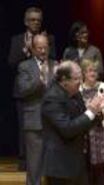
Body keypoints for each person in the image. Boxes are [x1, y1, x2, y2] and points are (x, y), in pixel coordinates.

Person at [8, 6, 56, 171]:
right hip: (24, 90)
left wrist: (41, 47)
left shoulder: (48, 38)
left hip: (46, 92)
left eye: (38, 20)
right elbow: (12, 62)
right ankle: (24, 162)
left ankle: (43, 163)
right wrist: (27, 50)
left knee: (45, 130)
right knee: (25, 127)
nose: (36, 23)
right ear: (25, 21)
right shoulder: (17, 39)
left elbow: (53, 60)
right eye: (32, 20)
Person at [15, 34, 56, 185]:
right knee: (34, 160)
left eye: (45, 46)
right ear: (32, 49)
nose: (43, 50)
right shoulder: (24, 66)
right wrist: (39, 81)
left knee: (54, 159)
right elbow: (22, 89)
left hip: (54, 120)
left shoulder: (56, 64)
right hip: (34, 118)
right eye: (39, 47)